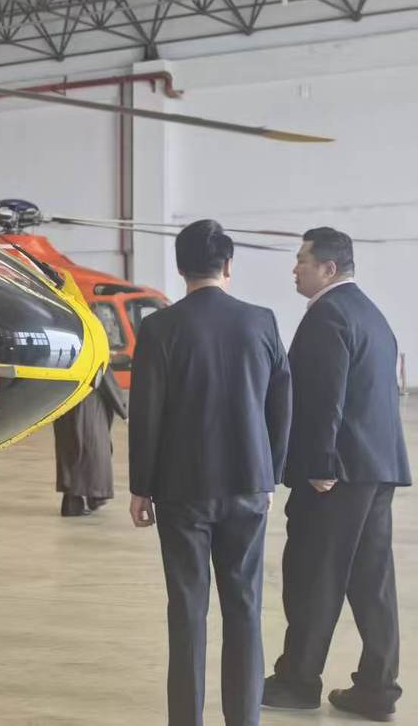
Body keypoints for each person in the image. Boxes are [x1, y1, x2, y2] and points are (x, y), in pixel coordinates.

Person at [128, 219, 292, 726]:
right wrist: (270, 474)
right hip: (247, 484)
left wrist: (141, 487)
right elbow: (282, 403)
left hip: (181, 491)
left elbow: (146, 412)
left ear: (181, 269)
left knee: (186, 611)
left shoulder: (159, 328)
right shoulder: (261, 321)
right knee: (244, 609)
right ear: (229, 265)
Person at [263, 228, 411, 721]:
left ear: (328, 269)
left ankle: (297, 682)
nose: (295, 268)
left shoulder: (328, 314)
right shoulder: (369, 312)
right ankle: (377, 688)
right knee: (372, 583)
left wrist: (320, 464)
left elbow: (323, 397)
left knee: (312, 576)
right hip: (375, 468)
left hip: (337, 474)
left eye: (302, 260)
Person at [54, 368, 126, 516]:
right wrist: (124, 410)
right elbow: (103, 375)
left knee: (71, 453)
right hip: (88, 406)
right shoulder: (93, 353)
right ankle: (91, 498)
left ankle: (75, 502)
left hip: (63, 405)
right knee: (93, 454)